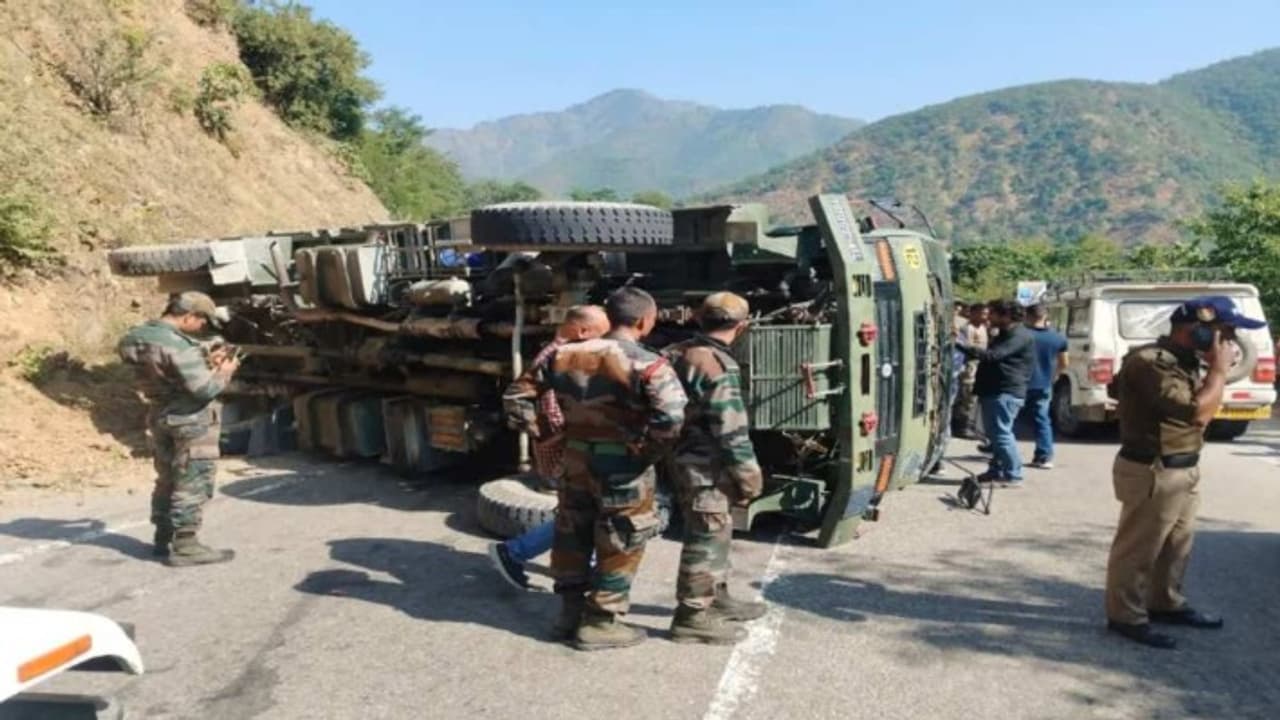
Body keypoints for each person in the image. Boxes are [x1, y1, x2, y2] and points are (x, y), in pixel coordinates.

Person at [504, 286, 687, 650]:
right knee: (622, 538)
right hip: (624, 465)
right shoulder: (648, 363)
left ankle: (569, 615)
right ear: (644, 322)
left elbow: (516, 396)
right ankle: (602, 622)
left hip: (575, 460)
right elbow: (671, 419)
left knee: (572, 533)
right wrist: (644, 452)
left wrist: (544, 433)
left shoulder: (562, 355)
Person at [1103, 296, 1262, 649]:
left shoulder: (1182, 362)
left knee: (1176, 545)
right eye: (1224, 332)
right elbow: (1197, 413)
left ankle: (1165, 601)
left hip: (1182, 467)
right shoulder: (1151, 363)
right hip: (1153, 469)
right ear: (1199, 331)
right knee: (1138, 549)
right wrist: (1219, 370)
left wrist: (1212, 368)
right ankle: (1125, 616)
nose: (1231, 341)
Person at [661, 292, 765, 645]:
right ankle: (691, 616)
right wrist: (749, 475)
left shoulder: (677, 352)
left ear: (697, 319)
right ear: (742, 326)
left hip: (679, 456)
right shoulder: (717, 365)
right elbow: (731, 428)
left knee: (715, 530)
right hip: (704, 465)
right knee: (706, 535)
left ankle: (715, 597)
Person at [489, 305, 610, 590]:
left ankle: (522, 553)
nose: (606, 341)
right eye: (602, 334)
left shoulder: (570, 354)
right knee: (579, 510)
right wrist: (548, 434)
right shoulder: (557, 356)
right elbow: (517, 397)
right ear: (582, 331)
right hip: (565, 450)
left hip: (572, 448)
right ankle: (514, 552)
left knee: (580, 508)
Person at [117, 291, 239, 566]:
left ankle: (163, 538)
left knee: (167, 478)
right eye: (202, 322)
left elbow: (163, 369)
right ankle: (186, 545)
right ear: (189, 316)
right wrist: (225, 371)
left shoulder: (134, 337)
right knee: (193, 479)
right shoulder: (179, 345)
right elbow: (203, 389)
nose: (202, 328)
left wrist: (202, 359)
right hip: (190, 419)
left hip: (159, 413)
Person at [960, 299, 1035, 487]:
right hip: (994, 390)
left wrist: (960, 344)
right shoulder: (1004, 333)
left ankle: (1013, 474)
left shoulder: (1019, 336)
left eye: (992, 313)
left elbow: (993, 356)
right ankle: (996, 470)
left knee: (1001, 434)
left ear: (1006, 315)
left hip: (1005, 392)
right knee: (994, 436)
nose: (988, 317)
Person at [1024, 304, 1069, 469]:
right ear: (1045, 317)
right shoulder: (1058, 338)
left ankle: (1002, 455)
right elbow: (1064, 362)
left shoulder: (1022, 335)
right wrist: (1054, 376)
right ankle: (1044, 456)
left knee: (1009, 420)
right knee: (1042, 420)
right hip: (1044, 384)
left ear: (1027, 316)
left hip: (1019, 383)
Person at [952, 302, 989, 440]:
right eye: (982, 313)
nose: (985, 316)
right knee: (966, 396)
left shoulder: (985, 328)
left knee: (971, 398)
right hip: (968, 366)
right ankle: (961, 426)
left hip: (980, 365)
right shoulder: (965, 328)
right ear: (973, 313)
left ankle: (967, 423)